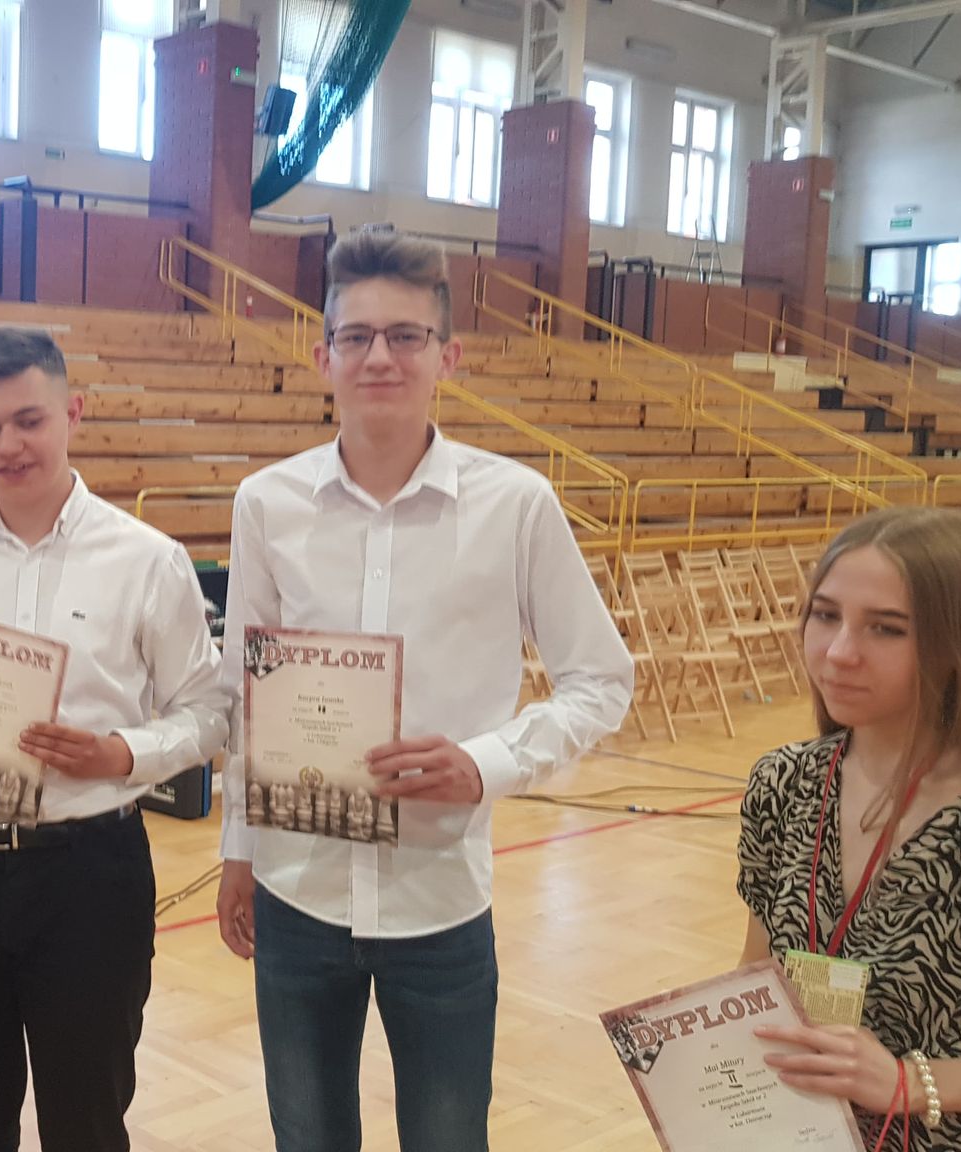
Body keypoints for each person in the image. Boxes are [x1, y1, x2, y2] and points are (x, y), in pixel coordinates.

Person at [213, 229, 634, 1152]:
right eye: (356, 336)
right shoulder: (265, 504)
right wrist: (238, 849)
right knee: (307, 1139)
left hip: (439, 900)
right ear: (323, 355)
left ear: (449, 355)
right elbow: (250, 696)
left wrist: (485, 764)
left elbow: (602, 680)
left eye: (406, 336)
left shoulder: (516, 504)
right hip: (296, 892)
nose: (379, 357)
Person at [0, 328, 229, 1152]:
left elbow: (210, 712)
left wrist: (122, 755)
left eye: (28, 421)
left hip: (86, 876)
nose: (7, 445)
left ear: (73, 412)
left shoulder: (148, 560)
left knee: (85, 1125)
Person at [737, 507, 961, 1150]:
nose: (839, 653)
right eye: (825, 615)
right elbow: (756, 976)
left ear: (958, 643)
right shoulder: (783, 783)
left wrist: (909, 1084)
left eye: (886, 629)